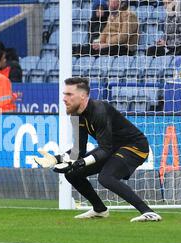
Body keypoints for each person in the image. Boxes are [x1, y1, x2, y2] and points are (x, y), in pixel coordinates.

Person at [33, 77, 162, 222]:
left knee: (106, 178)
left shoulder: (100, 110)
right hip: (112, 148)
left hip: (134, 146)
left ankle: (148, 212)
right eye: (64, 94)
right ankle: (99, 209)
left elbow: (104, 150)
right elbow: (78, 151)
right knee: (72, 174)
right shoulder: (76, 116)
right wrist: (55, 159)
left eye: (69, 95)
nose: (64, 99)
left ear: (83, 96)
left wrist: (80, 162)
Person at [73, 0, 139, 56]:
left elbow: (124, 36)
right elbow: (105, 31)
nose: (108, 3)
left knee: (101, 51)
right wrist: (98, 41)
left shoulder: (130, 15)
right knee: (82, 50)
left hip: (124, 48)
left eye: (111, 0)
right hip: (109, 46)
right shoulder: (112, 15)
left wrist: (106, 44)